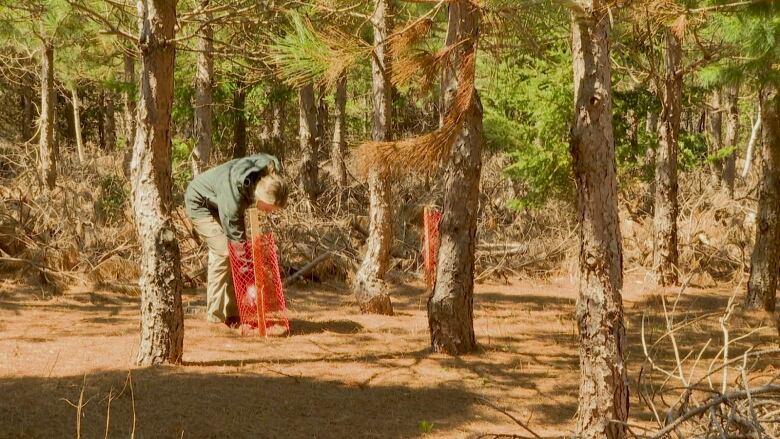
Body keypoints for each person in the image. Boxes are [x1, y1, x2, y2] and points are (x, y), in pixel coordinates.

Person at [184, 153, 289, 327]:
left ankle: (233, 314)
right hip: (199, 202)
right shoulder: (233, 199)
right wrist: (249, 285)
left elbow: (269, 158)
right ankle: (215, 318)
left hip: (219, 201)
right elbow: (237, 242)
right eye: (270, 209)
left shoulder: (270, 172)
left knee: (236, 253)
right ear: (260, 197)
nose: (270, 213)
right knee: (224, 252)